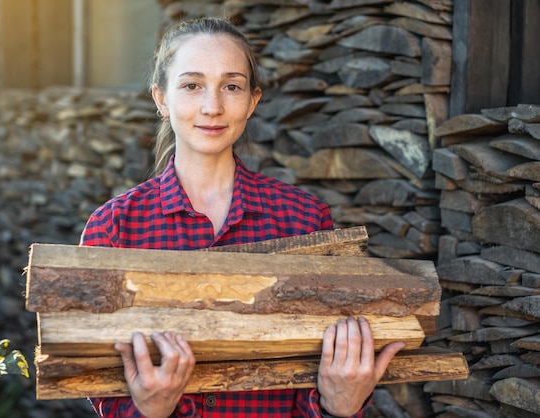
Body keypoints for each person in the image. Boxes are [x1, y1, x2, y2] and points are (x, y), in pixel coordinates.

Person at [80, 16, 405, 418]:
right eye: (192, 85)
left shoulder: (305, 219)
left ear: (252, 100)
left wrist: (339, 406)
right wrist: (149, 411)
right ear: (161, 98)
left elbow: (321, 372)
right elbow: (97, 382)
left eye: (231, 86)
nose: (212, 106)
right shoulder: (113, 228)